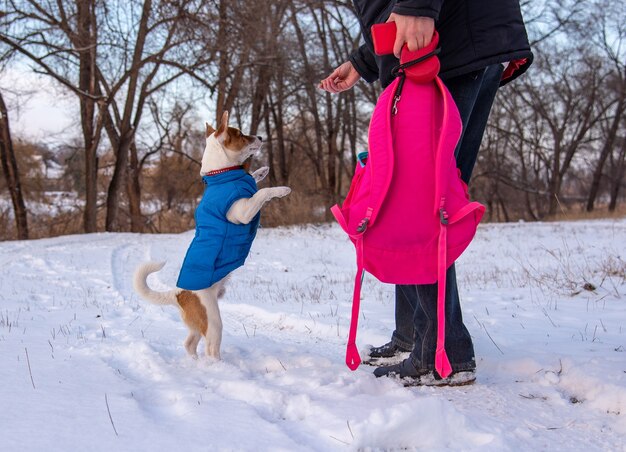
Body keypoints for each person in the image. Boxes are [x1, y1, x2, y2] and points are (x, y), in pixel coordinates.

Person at [320, 0, 533, 386]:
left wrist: (417, 5)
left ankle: (444, 354)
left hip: (443, 41)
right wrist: (364, 61)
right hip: (455, 39)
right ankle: (414, 337)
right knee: (421, 197)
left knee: (419, 201)